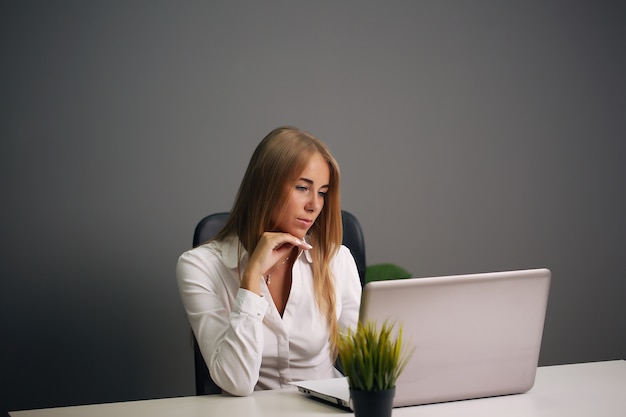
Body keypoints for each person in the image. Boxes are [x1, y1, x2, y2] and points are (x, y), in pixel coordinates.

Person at [176, 126, 362, 396]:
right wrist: (251, 279)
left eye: (322, 192)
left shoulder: (337, 260)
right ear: (265, 186)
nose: (315, 205)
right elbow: (236, 382)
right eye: (302, 188)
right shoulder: (199, 266)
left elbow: (364, 365)